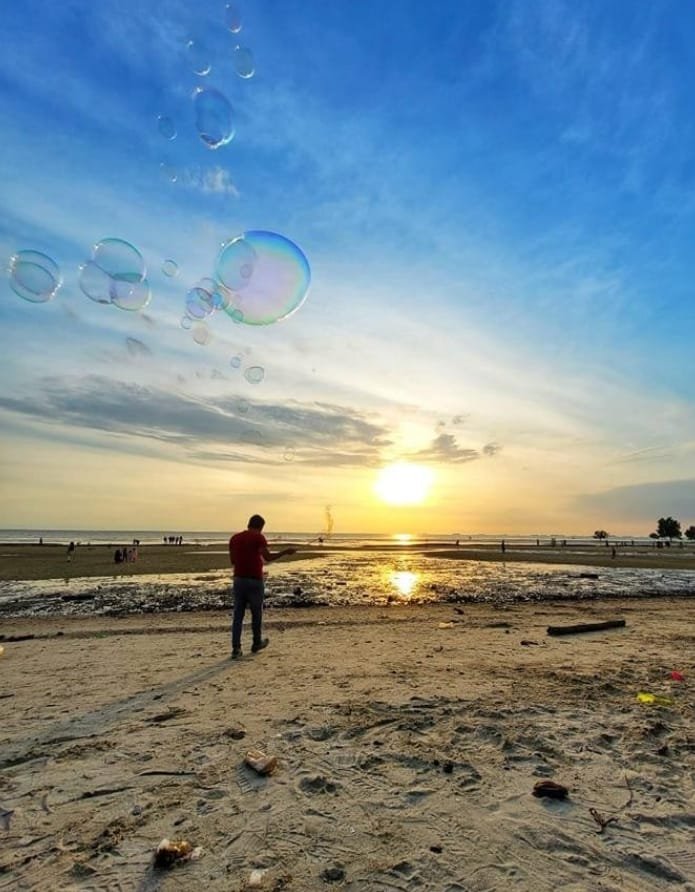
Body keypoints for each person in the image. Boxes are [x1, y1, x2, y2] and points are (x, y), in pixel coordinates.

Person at [228, 514, 295, 659]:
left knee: (238, 615)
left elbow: (233, 560)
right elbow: (268, 557)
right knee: (256, 613)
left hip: (239, 579)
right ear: (261, 526)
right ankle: (256, 642)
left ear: (249, 524)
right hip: (254, 580)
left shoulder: (234, 538)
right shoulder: (259, 537)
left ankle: (236, 648)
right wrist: (285, 552)